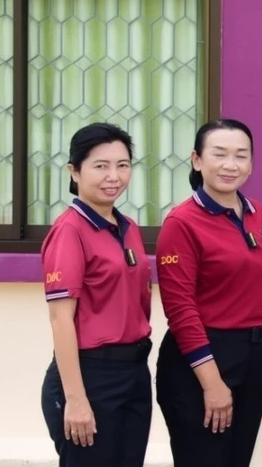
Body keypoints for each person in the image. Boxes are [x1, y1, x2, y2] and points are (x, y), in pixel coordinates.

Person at [155, 119, 262, 467]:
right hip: (202, 357)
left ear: (251, 163)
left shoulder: (257, 214)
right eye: (219, 154)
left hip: (252, 353)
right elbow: (180, 310)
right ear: (196, 160)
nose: (230, 164)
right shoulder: (182, 223)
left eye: (241, 155)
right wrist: (211, 382)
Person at [41, 122, 152, 466]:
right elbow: (61, 319)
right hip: (91, 376)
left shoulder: (127, 227)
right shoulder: (70, 230)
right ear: (74, 171)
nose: (113, 176)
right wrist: (76, 399)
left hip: (133, 372)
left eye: (122, 165)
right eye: (100, 166)